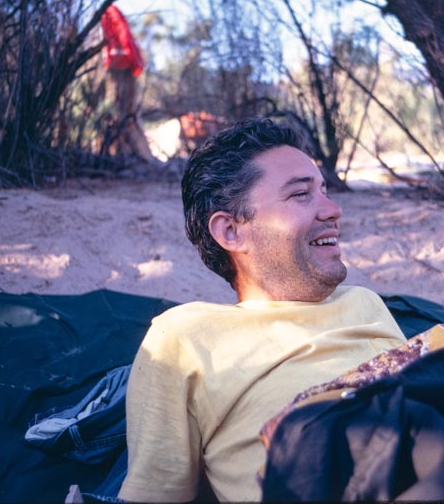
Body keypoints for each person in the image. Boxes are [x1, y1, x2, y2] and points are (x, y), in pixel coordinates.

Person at [117, 117, 410, 502]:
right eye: (301, 194)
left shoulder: (365, 302)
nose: (333, 210)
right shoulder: (185, 337)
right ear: (231, 232)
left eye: (324, 191)